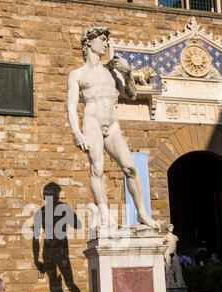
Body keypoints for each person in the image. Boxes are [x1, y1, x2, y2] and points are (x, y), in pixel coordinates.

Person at [67, 26, 160, 230]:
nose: (106, 43)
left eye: (106, 40)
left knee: (131, 168)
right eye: (102, 39)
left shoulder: (111, 73)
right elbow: (71, 106)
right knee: (97, 168)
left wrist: (126, 72)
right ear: (89, 43)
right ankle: (104, 212)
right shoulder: (77, 74)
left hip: (113, 125)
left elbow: (131, 94)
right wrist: (76, 132)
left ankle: (142, 214)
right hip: (92, 122)